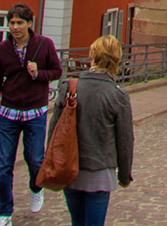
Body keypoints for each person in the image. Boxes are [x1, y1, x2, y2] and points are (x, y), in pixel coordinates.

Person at [0, 2, 62, 226]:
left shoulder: (44, 45)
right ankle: (4, 212)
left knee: (35, 159)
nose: (15, 27)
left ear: (29, 24)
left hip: (35, 112)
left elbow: (56, 71)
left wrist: (38, 73)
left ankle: (36, 188)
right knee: (3, 165)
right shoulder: (2, 50)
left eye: (20, 23)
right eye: (12, 23)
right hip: (9, 112)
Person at [49, 35, 133, 226]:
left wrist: (52, 161)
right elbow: (125, 140)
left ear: (92, 56)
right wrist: (124, 175)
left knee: (76, 222)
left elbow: (54, 130)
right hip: (99, 173)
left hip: (70, 168)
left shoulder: (69, 87)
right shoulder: (117, 95)